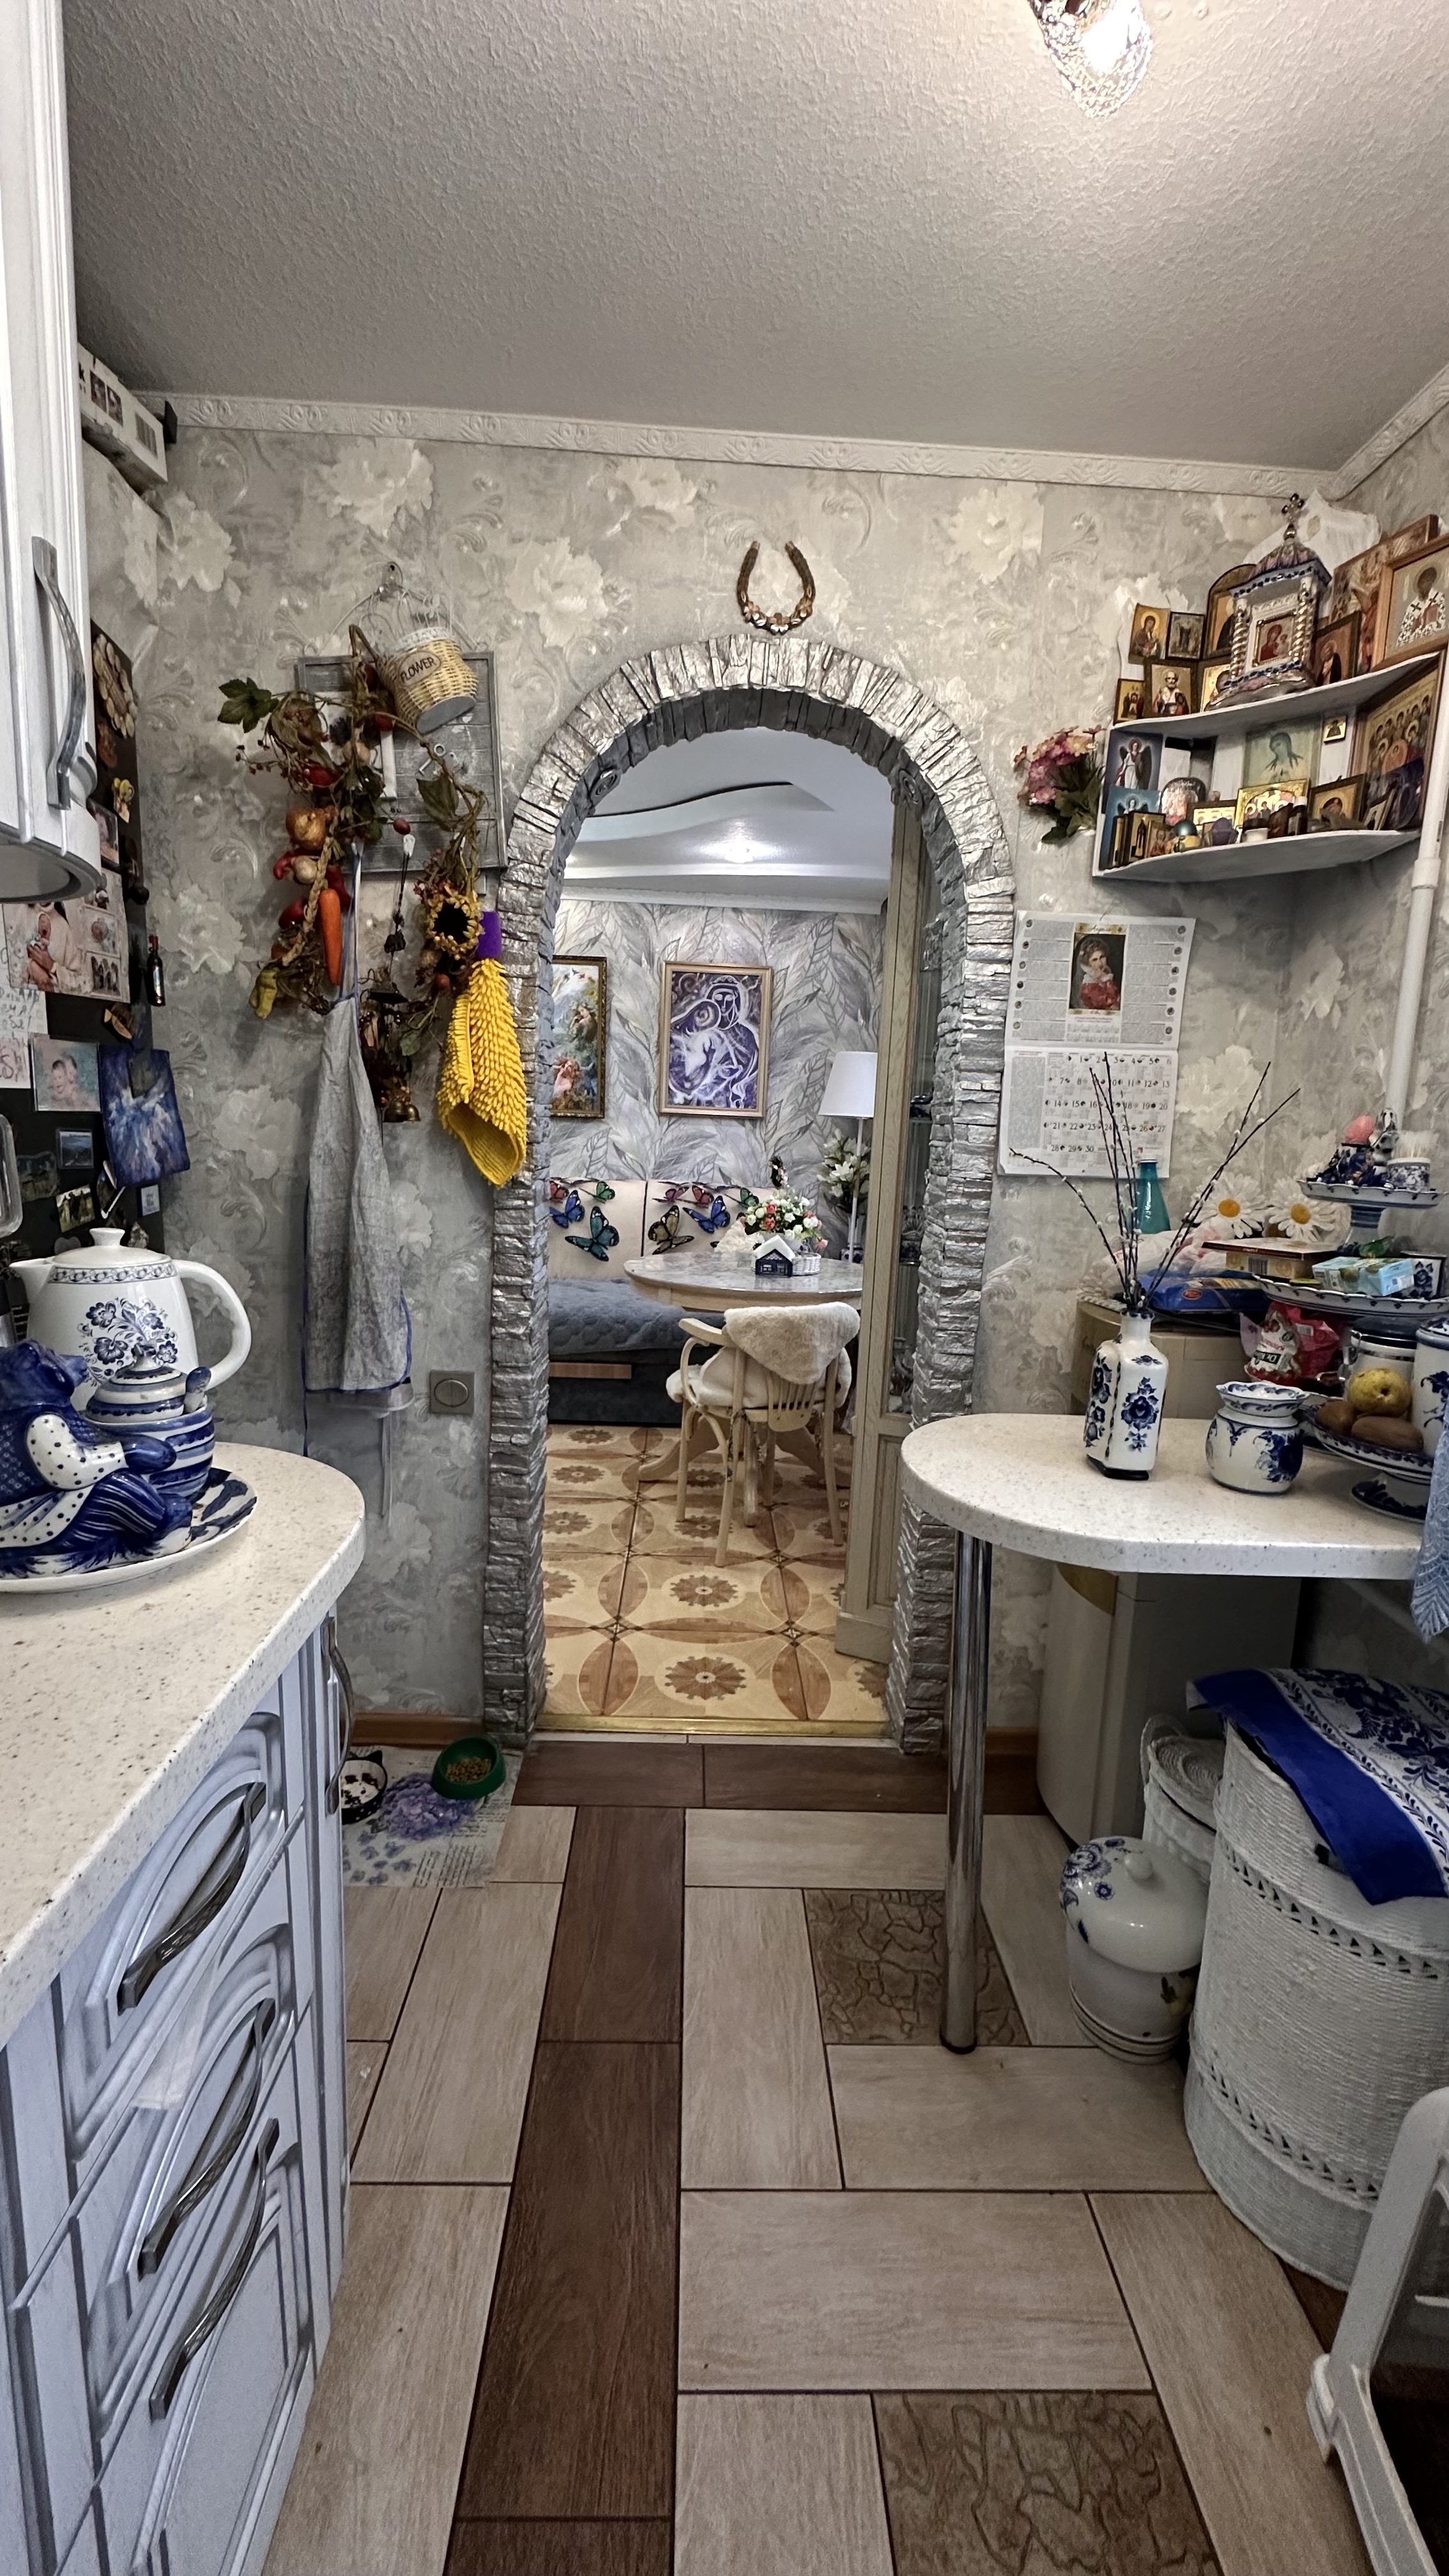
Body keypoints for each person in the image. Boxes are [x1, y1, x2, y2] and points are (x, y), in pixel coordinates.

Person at [1074, 941, 1121, 1012]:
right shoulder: (1090, 986)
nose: (1100, 964)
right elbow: (1112, 1007)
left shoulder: (1106, 976)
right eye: (1094, 960)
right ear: (1088, 964)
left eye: (1102, 957)